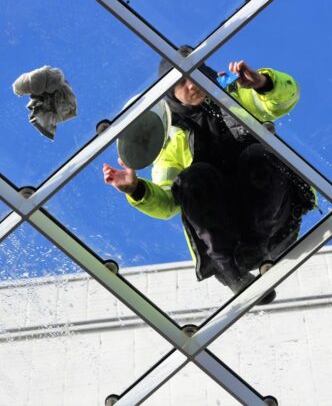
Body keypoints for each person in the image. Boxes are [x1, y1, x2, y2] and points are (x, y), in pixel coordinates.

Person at [103, 46, 316, 304]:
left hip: (274, 220)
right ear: (170, 92)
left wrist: (263, 83)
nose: (192, 84)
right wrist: (137, 190)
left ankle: (256, 249)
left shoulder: (236, 92)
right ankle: (232, 274)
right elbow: (169, 201)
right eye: (181, 81)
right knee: (193, 178)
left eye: (196, 73)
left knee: (258, 154)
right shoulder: (169, 141)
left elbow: (284, 101)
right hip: (227, 236)